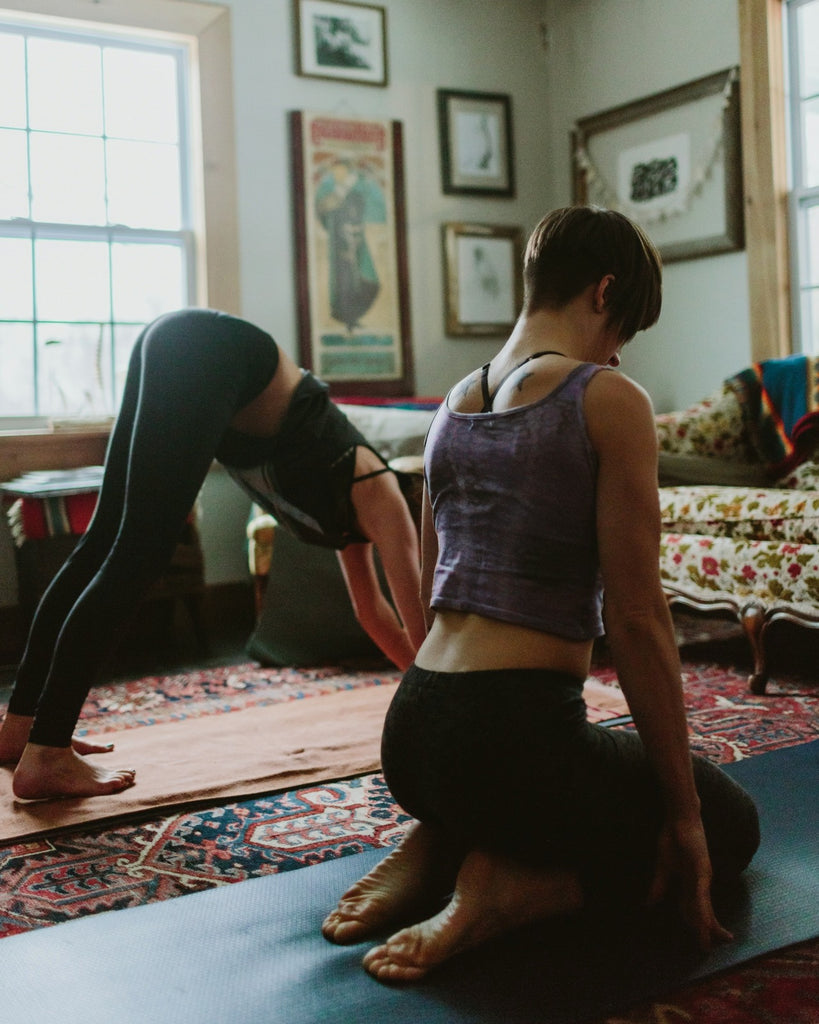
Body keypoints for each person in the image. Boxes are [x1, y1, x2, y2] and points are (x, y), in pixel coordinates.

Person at [321, 206, 760, 982]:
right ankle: (511, 886)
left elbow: (427, 588)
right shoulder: (607, 399)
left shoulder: (448, 410)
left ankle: (442, 834)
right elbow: (636, 619)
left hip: (414, 736)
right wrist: (684, 817)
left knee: (521, 779)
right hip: (512, 746)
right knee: (730, 822)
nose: (618, 352)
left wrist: (456, 760)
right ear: (602, 292)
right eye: (623, 327)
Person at [0, 309, 425, 801]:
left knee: (104, 542)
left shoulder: (354, 516)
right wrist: (435, 699)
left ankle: (21, 727)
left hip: (185, 340)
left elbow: (371, 613)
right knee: (138, 552)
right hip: (216, 349)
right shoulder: (386, 493)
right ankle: (48, 752)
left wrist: (413, 696)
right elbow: (414, 620)